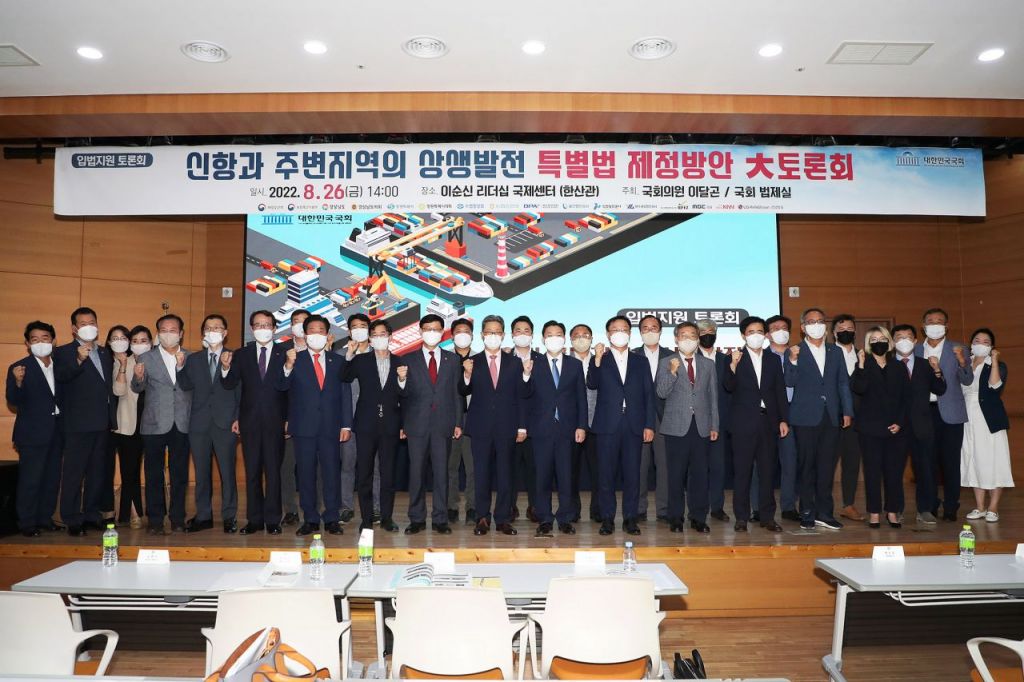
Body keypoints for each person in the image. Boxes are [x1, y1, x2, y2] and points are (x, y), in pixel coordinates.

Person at [459, 314, 534, 536]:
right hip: (480, 427)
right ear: (482, 335)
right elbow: (462, 390)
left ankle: (503, 518)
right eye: (489, 332)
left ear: (503, 335)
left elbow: (523, 395)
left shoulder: (514, 362)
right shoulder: (472, 361)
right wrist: (466, 374)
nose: (493, 335)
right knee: (481, 474)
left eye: (497, 332)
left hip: (507, 426)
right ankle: (482, 517)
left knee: (505, 475)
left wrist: (527, 375)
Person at [278, 314, 352, 536]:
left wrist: (346, 425)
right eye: (312, 330)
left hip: (331, 427)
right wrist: (288, 366)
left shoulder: (337, 361)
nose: (316, 334)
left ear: (328, 335)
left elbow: (345, 394)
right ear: (304, 334)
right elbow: (281, 387)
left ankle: (332, 518)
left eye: (321, 330)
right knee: (306, 474)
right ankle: (310, 518)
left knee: (331, 473)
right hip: (303, 427)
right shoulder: (293, 359)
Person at [784, 308, 853, 530]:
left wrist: (847, 411)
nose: (816, 325)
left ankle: (825, 513)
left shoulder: (835, 351)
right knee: (807, 466)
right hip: (804, 417)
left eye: (820, 321)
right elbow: (789, 381)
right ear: (803, 327)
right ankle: (807, 511)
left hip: (831, 416)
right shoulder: (794, 351)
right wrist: (793, 361)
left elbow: (843, 383)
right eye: (811, 321)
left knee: (827, 466)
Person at [221, 310, 288, 535]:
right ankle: (254, 519)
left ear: (274, 328)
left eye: (267, 324)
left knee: (273, 472)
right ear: (251, 329)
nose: (262, 328)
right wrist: (225, 367)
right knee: (252, 472)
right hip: (249, 421)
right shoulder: (241, 354)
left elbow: (290, 390)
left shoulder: (285, 353)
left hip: (276, 420)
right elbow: (230, 384)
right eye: (258, 325)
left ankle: (273, 519)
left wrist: (288, 419)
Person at [588, 315, 656, 536]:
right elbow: (592, 383)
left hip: (634, 424)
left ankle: (630, 519)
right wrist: (597, 359)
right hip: (607, 424)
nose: (620, 333)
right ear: (608, 334)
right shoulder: (600, 358)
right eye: (615, 329)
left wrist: (649, 424)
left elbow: (648, 394)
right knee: (606, 475)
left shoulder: (640, 361)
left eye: (624, 329)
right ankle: (607, 518)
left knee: (632, 475)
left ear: (630, 333)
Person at [398, 314, 462, 534]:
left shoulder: (453, 360)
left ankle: (440, 518)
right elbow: (402, 396)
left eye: (436, 329)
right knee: (416, 473)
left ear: (442, 332)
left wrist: (458, 422)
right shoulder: (407, 359)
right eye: (427, 329)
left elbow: (456, 394)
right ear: (420, 331)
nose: (431, 333)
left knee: (441, 473)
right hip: (416, 424)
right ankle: (416, 518)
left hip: (443, 424)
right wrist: (401, 380)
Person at [725, 316, 789, 533]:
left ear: (766, 335)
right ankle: (741, 517)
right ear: (743, 335)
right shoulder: (734, 357)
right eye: (751, 332)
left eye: (760, 331)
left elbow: (779, 391)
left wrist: (783, 419)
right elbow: (728, 386)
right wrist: (733, 366)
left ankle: (767, 516)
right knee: (742, 472)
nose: (756, 336)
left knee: (767, 472)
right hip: (743, 424)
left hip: (768, 422)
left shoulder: (772, 359)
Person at [177, 314, 240, 533]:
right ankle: (203, 516)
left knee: (227, 473)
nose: (212, 331)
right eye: (208, 328)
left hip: (226, 423)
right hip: (199, 423)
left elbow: (241, 390)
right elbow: (185, 385)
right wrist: (179, 367)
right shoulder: (193, 359)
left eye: (217, 327)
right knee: (201, 473)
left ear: (225, 332)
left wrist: (238, 417)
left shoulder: (235, 357)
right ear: (203, 333)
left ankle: (229, 516)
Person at [54, 306, 114, 536]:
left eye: (92, 323)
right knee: (74, 473)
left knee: (97, 472)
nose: (89, 327)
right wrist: (78, 360)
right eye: (83, 323)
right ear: (73, 328)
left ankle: (91, 514)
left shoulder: (105, 353)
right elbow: (61, 377)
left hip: (102, 422)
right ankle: (71, 517)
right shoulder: (63, 352)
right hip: (77, 424)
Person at [131, 314, 191, 534]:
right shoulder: (146, 357)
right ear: (158, 334)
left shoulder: (191, 357)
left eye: (173, 330)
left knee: (180, 474)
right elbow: (137, 388)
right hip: (154, 423)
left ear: (181, 333)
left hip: (182, 422)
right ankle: (155, 520)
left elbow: (192, 387)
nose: (168, 334)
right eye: (164, 330)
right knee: (153, 474)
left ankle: (178, 518)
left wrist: (182, 368)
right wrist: (138, 377)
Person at [656, 321, 718, 534]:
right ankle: (675, 517)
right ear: (676, 339)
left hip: (701, 426)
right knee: (676, 474)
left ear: (698, 338)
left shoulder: (708, 364)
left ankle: (698, 517)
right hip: (676, 427)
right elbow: (661, 392)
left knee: (700, 474)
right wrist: (672, 373)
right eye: (683, 335)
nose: (688, 339)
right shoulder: (667, 362)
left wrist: (714, 424)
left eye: (692, 335)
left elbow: (713, 397)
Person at [527, 321, 587, 536]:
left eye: (558, 334)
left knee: (566, 477)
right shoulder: (533, 364)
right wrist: (525, 375)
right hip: (541, 429)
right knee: (541, 477)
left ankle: (565, 518)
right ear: (543, 339)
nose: (554, 338)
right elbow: (525, 395)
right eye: (550, 334)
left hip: (567, 429)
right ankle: (544, 518)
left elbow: (581, 398)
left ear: (564, 339)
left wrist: (582, 426)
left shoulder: (574, 364)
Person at [343, 319, 402, 533]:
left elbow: (406, 395)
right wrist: (349, 355)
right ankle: (366, 519)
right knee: (365, 473)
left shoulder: (400, 362)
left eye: (382, 334)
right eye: (374, 335)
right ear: (369, 338)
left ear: (390, 336)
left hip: (391, 425)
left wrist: (403, 381)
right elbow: (344, 377)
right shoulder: (361, 360)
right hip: (366, 424)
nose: (378, 338)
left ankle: (386, 517)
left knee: (387, 474)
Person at [915, 307, 973, 521]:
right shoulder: (914, 350)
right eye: (930, 321)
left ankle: (951, 506)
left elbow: (967, 380)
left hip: (951, 413)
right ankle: (930, 505)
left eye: (939, 321)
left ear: (947, 326)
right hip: (923, 413)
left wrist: (962, 361)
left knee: (950, 462)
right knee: (926, 462)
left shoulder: (959, 349)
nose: (935, 325)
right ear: (923, 326)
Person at [6, 321, 63, 537]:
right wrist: (18, 382)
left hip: (58, 431)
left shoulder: (61, 365)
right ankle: (27, 523)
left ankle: (44, 518)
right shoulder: (19, 368)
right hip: (32, 433)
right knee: (31, 480)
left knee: (51, 479)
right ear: (28, 343)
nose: (40, 342)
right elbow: (13, 400)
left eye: (45, 338)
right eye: (35, 339)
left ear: (53, 341)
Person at [850, 327, 907, 528]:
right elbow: (859, 388)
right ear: (868, 344)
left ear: (889, 342)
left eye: (882, 338)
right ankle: (874, 512)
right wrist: (861, 365)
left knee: (894, 472)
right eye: (873, 339)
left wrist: (900, 422)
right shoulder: (863, 365)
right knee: (872, 472)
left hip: (895, 428)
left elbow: (906, 397)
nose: (878, 342)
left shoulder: (898, 366)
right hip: (870, 428)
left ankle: (892, 511)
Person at [891, 324, 946, 524]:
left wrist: (937, 369)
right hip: (895, 426)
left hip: (922, 425)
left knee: (925, 469)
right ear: (893, 342)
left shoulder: (925, 365)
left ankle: (925, 509)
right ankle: (895, 509)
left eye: (908, 336)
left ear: (915, 341)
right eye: (899, 337)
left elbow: (940, 389)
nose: (904, 340)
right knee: (894, 470)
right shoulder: (887, 364)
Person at [961, 328, 1012, 522]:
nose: (981, 344)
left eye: (986, 341)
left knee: (994, 461)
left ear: (992, 346)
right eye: (977, 340)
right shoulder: (964, 363)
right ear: (971, 344)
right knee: (973, 459)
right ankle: (980, 506)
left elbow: (995, 386)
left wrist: (995, 360)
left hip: (989, 420)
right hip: (967, 419)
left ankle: (993, 507)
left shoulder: (996, 364)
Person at [337, 312, 381, 524]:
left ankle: (375, 508)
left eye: (363, 326)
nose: (359, 330)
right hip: (347, 421)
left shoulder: (381, 354)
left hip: (373, 422)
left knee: (375, 467)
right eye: (355, 326)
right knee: (347, 465)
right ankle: (346, 507)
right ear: (349, 331)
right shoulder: (340, 355)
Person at [633, 314, 673, 522]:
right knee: (639, 465)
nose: (650, 331)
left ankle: (664, 510)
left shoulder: (672, 356)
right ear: (640, 332)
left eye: (654, 327)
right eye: (645, 328)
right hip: (638, 418)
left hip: (664, 417)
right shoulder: (632, 355)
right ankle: (638, 508)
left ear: (660, 331)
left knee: (664, 465)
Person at [110, 325, 150, 528]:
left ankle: (139, 513)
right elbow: (118, 390)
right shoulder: (123, 361)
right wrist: (124, 366)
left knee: (149, 471)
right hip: (128, 423)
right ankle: (133, 512)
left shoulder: (157, 361)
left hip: (153, 424)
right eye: (134, 341)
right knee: (129, 471)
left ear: (151, 343)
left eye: (144, 341)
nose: (139, 344)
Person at [696, 319, 732, 523]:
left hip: (721, 421)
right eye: (702, 332)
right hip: (696, 421)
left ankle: (717, 507)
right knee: (697, 468)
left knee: (718, 467)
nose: (707, 335)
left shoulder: (725, 360)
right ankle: (698, 508)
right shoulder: (690, 358)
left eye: (711, 331)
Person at [277, 307, 310, 525]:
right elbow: (277, 388)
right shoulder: (280, 351)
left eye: (303, 321)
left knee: (312, 470)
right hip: (288, 420)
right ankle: (290, 510)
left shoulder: (323, 350)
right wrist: (284, 418)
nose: (299, 325)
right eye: (295, 321)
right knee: (286, 468)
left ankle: (313, 510)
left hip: (315, 421)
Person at [765, 314, 799, 522]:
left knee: (790, 463)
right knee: (762, 465)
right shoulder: (761, 356)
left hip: (793, 414)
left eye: (784, 327)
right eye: (775, 328)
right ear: (767, 335)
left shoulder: (798, 354)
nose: (781, 331)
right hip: (766, 415)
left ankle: (788, 507)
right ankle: (759, 508)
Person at [832, 314, 864, 522]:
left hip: (856, 419)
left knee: (852, 463)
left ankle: (848, 505)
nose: (846, 332)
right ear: (834, 333)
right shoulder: (827, 354)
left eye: (850, 329)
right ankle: (821, 506)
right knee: (825, 463)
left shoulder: (863, 356)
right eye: (841, 329)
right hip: (830, 418)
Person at [509, 315, 541, 522]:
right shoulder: (504, 359)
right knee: (509, 468)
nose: (522, 334)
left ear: (532, 334)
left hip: (535, 424)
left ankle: (535, 506)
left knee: (534, 469)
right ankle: (509, 506)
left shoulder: (542, 360)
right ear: (512, 335)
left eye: (526, 330)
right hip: (509, 423)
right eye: (518, 331)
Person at [568, 323, 599, 522]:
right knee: (570, 471)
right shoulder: (564, 362)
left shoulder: (601, 361)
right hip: (571, 426)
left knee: (599, 471)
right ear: (570, 340)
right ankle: (572, 511)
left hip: (597, 424)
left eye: (585, 334)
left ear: (591, 338)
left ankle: (598, 510)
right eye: (577, 335)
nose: (581, 338)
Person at [447, 318, 476, 524]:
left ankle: (473, 507)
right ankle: (451, 507)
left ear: (472, 335)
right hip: (449, 418)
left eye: (466, 331)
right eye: (458, 331)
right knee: (451, 466)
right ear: (452, 336)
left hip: (473, 418)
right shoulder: (446, 359)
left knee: (473, 467)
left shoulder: (480, 359)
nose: (462, 334)